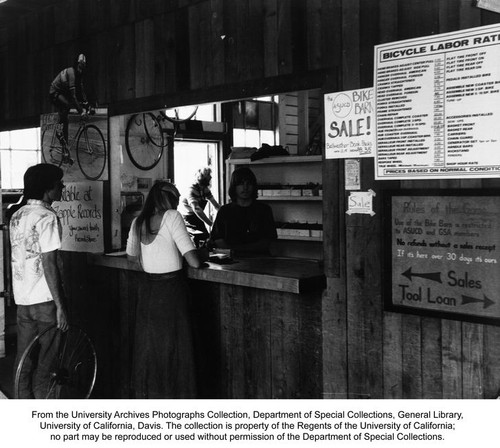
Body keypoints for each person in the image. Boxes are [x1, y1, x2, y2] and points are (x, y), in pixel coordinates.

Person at [126, 180, 204, 398]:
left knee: (152, 351)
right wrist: (201, 254)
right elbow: (194, 262)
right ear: (168, 199)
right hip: (171, 292)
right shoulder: (172, 217)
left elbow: (132, 258)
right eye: (176, 199)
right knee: (177, 350)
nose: (178, 204)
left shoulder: (138, 221)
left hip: (149, 292)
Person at [9, 164, 68, 398]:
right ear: (48, 188)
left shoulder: (17, 214)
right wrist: (61, 306)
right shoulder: (48, 216)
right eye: (59, 183)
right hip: (46, 300)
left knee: (23, 363)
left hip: (23, 299)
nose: (62, 187)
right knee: (48, 367)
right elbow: (49, 264)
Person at [209, 167, 277, 256]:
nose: (245, 187)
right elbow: (218, 240)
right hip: (232, 261)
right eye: (241, 184)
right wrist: (236, 252)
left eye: (249, 183)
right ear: (234, 186)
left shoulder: (264, 210)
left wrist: (239, 250)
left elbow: (267, 241)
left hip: (259, 261)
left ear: (254, 186)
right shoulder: (225, 211)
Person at [49, 53, 89, 145]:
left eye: (82, 67)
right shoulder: (72, 73)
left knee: (66, 121)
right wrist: (81, 112)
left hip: (62, 92)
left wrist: (86, 103)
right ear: (77, 64)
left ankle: (65, 148)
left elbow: (81, 91)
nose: (81, 69)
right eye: (80, 66)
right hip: (54, 92)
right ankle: (59, 131)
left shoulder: (78, 75)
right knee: (67, 105)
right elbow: (73, 96)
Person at [180, 167, 220, 247]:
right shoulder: (192, 190)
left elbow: (215, 204)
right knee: (197, 240)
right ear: (203, 177)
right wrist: (211, 223)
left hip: (197, 218)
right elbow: (197, 209)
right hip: (189, 220)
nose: (211, 177)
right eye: (209, 175)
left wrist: (223, 214)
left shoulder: (204, 189)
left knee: (207, 239)